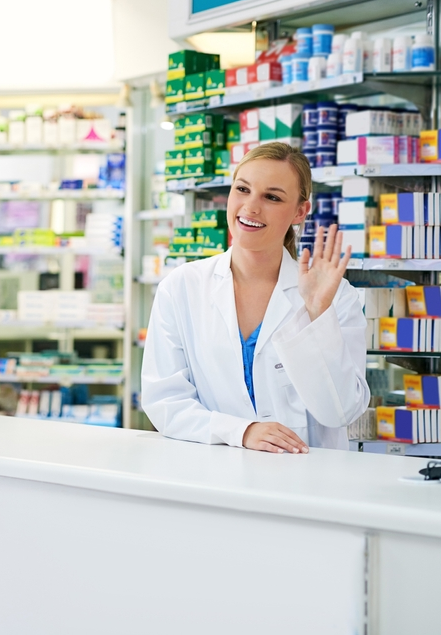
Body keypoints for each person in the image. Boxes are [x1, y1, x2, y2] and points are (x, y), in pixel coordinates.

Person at [141, 142, 369, 452]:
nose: (250, 207)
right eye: (242, 189)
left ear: (300, 211)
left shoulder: (335, 297)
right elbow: (165, 403)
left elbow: (341, 412)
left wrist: (318, 317)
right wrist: (241, 431)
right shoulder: (181, 287)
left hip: (307, 480)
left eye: (272, 197)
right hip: (215, 476)